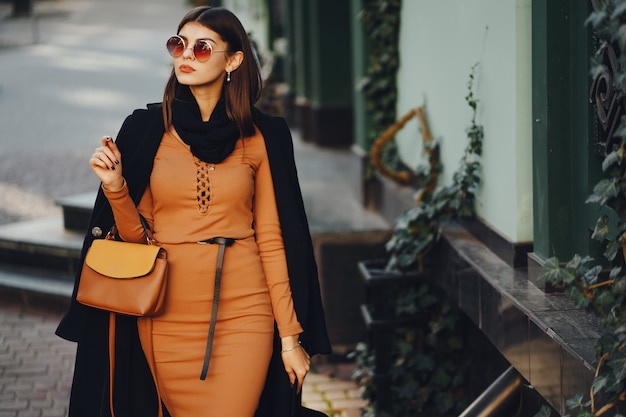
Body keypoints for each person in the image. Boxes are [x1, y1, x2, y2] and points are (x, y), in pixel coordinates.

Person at [55, 6, 331, 417]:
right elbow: (137, 240)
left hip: (246, 310)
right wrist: (116, 189)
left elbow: (273, 240)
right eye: (178, 44)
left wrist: (291, 338)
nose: (186, 55)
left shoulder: (262, 136)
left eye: (202, 48)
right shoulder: (146, 128)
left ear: (233, 60)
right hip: (167, 312)